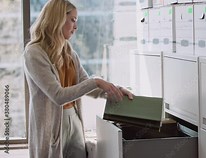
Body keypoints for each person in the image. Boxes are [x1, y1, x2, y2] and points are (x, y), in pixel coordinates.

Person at [23, 0, 134, 157]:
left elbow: (86, 85)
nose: (76, 27)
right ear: (58, 19)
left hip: (74, 121)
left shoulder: (69, 52)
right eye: (73, 20)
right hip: (52, 127)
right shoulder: (34, 53)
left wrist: (114, 89)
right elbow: (58, 95)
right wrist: (96, 81)